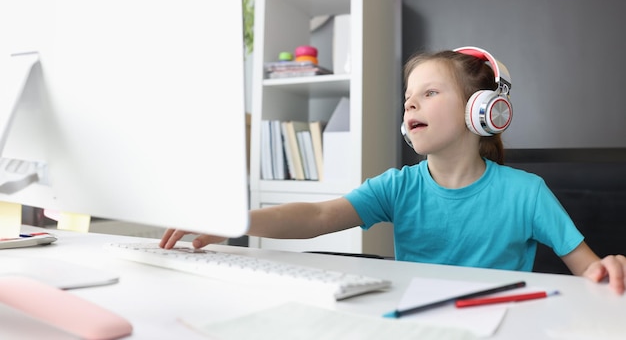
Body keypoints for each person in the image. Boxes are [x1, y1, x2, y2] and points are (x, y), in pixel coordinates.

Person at [161, 46, 626, 294]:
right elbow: (318, 217)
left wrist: (607, 269)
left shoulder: (528, 192)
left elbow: (589, 272)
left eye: (429, 93)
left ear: (483, 110)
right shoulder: (398, 186)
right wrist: (233, 222)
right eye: (408, 96)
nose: (410, 103)